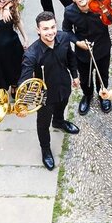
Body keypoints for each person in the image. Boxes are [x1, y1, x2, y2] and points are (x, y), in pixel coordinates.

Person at [20, 11, 80, 171]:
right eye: (45, 29)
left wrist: (74, 75)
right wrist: (23, 103)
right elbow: (24, 80)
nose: (50, 32)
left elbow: (70, 57)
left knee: (62, 105)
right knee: (42, 124)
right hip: (44, 97)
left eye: (53, 27)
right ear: (38, 30)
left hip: (64, 85)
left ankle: (59, 122)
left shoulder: (64, 38)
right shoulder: (31, 54)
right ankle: (45, 149)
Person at [64, 0, 112, 115]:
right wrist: (78, 43)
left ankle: (103, 95)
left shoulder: (101, 6)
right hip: (83, 53)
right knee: (85, 78)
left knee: (103, 75)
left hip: (102, 48)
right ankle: (87, 95)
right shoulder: (69, 12)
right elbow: (66, 30)